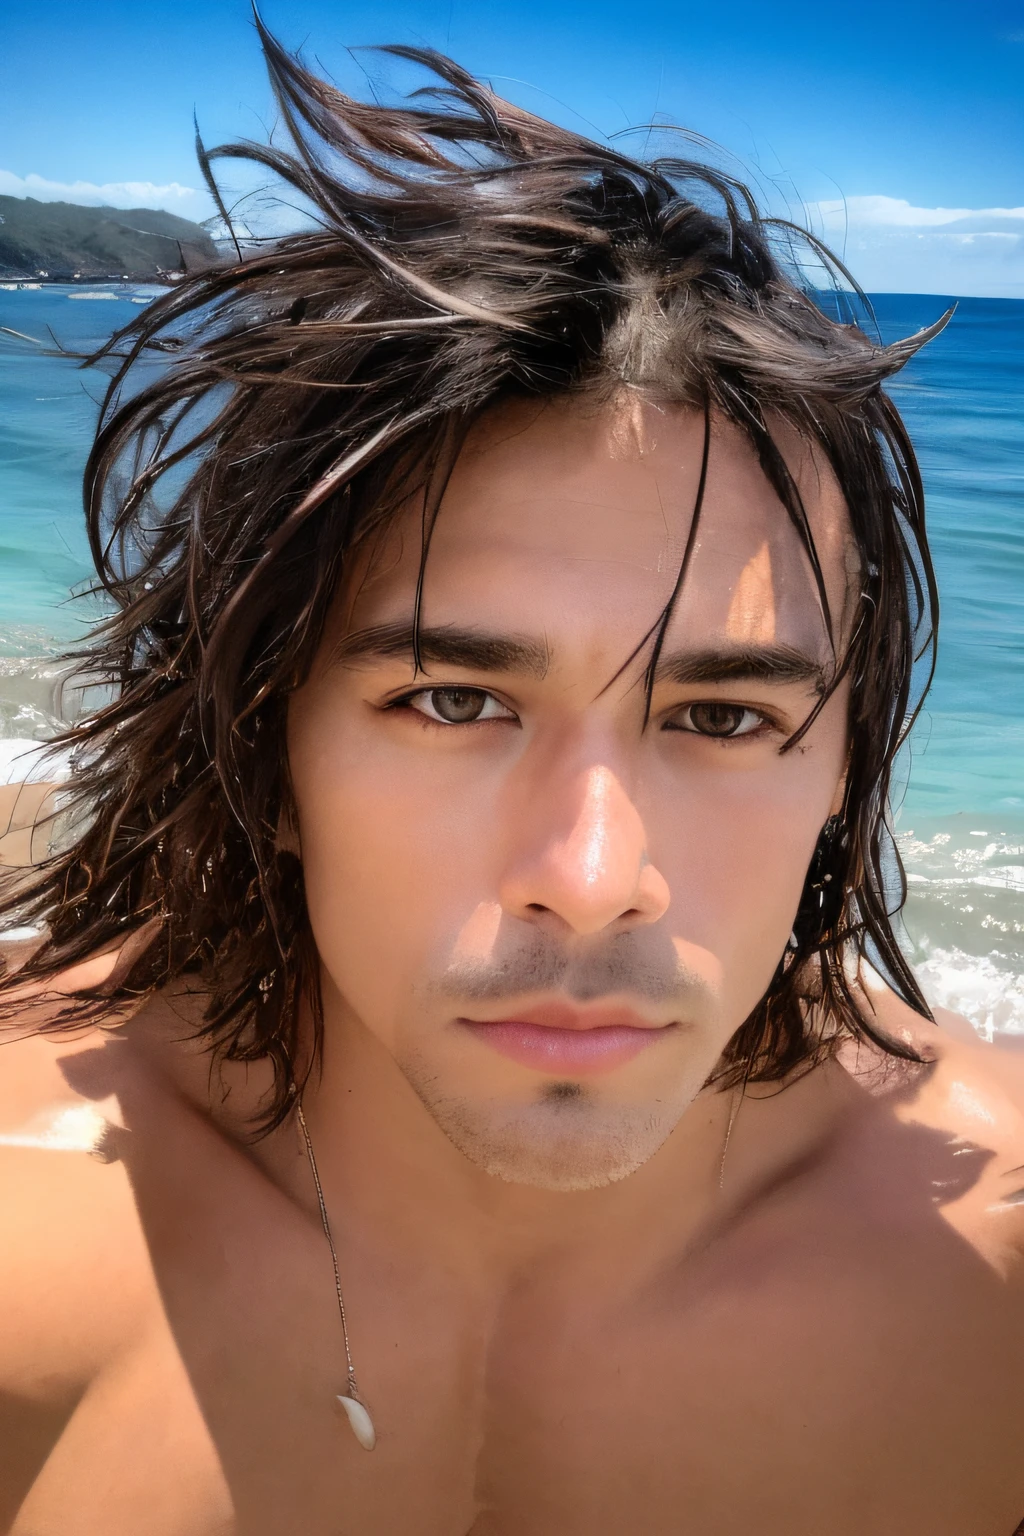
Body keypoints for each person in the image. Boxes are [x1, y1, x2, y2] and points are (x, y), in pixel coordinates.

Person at [1, 25, 1023, 1535]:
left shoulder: (991, 1284)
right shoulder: (28, 1211)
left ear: (847, 766)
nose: (595, 873)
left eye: (727, 718)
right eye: (454, 698)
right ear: (264, 745)